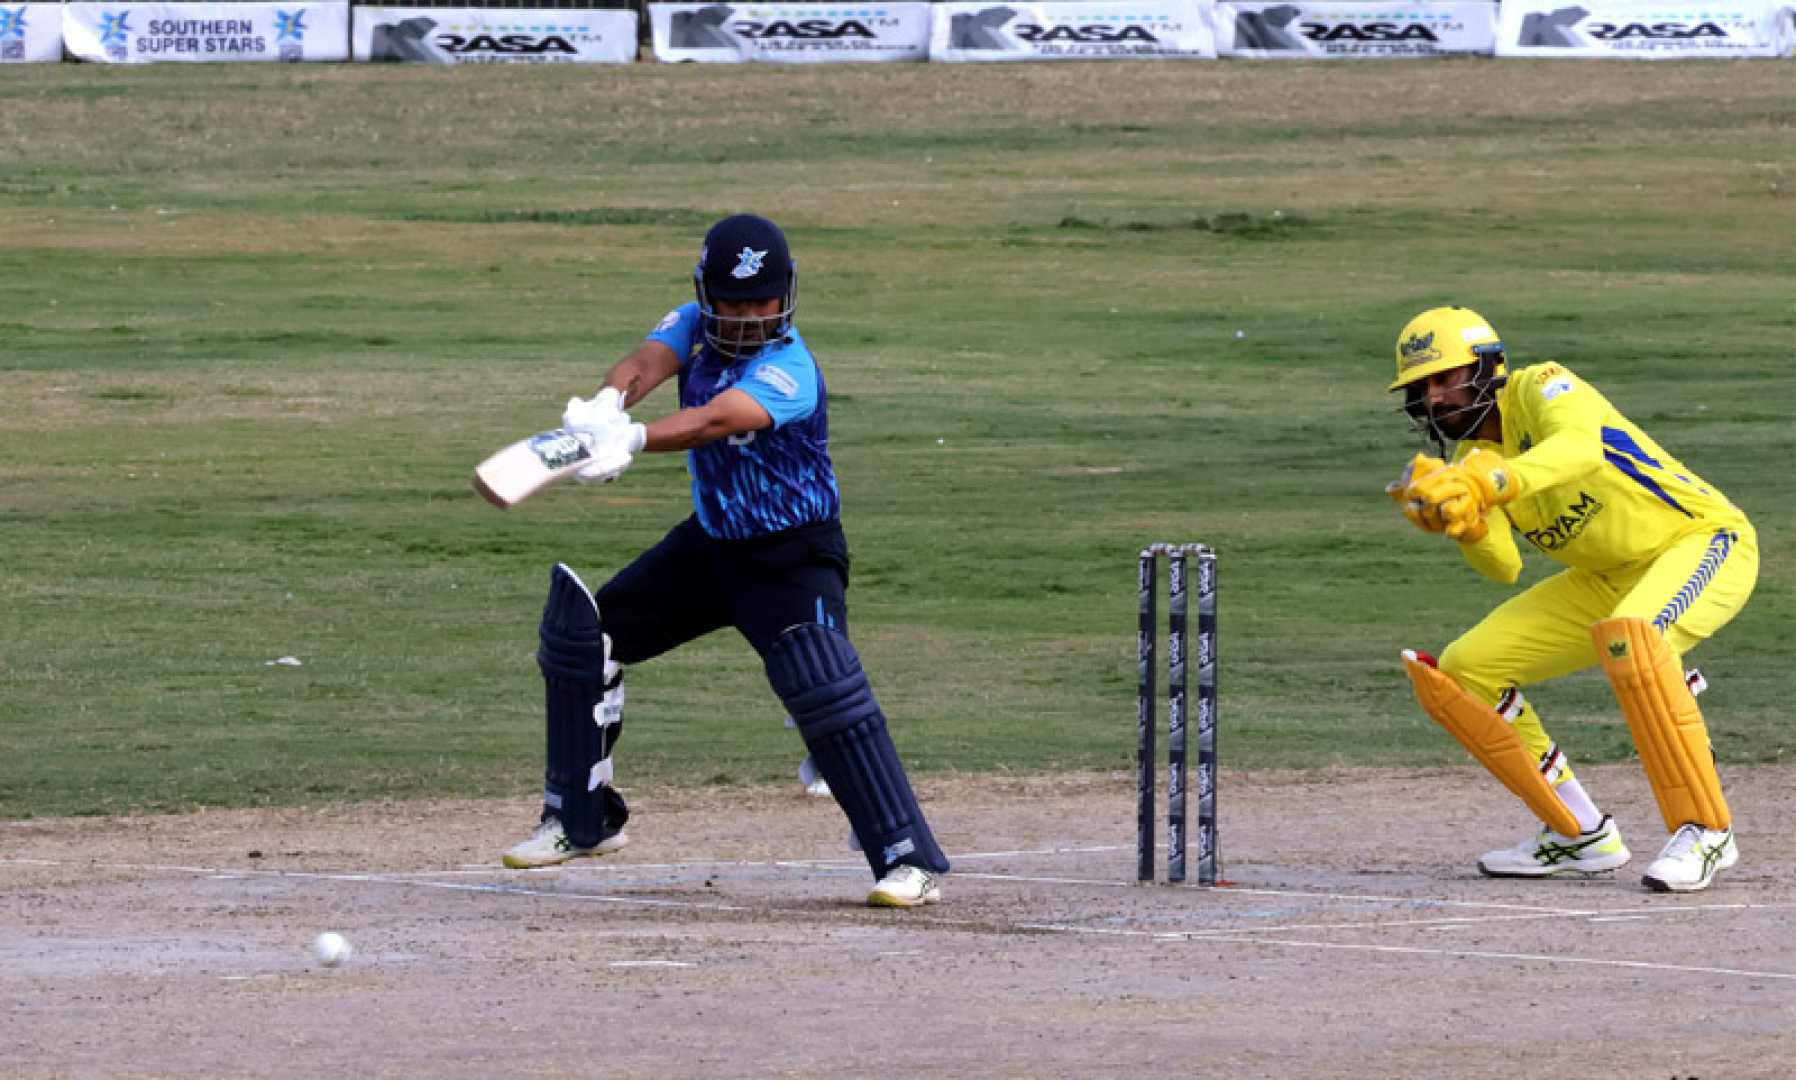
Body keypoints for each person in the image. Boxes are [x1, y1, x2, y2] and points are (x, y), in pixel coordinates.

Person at [499, 213, 949, 908]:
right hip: (710, 549)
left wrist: (636, 438)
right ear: (707, 294)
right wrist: (606, 404)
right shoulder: (691, 322)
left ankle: (906, 860)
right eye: (732, 302)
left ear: (785, 296)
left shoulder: (789, 370)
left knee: (826, 698)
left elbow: (717, 419)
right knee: (586, 640)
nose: (744, 317)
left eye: (759, 302)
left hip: (793, 556)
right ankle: (581, 820)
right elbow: (646, 362)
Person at [1384, 305, 1758, 892]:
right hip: (1605, 576)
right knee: (1467, 669)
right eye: (1420, 389)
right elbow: (1504, 568)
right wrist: (1469, 527)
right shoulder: (1468, 464)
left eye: (1444, 378)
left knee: (1634, 637)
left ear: (1488, 369)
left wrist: (1488, 485)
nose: (1434, 399)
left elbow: (1582, 449)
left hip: (1701, 538)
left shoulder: (1542, 386)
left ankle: (1708, 831)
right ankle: (1579, 834)